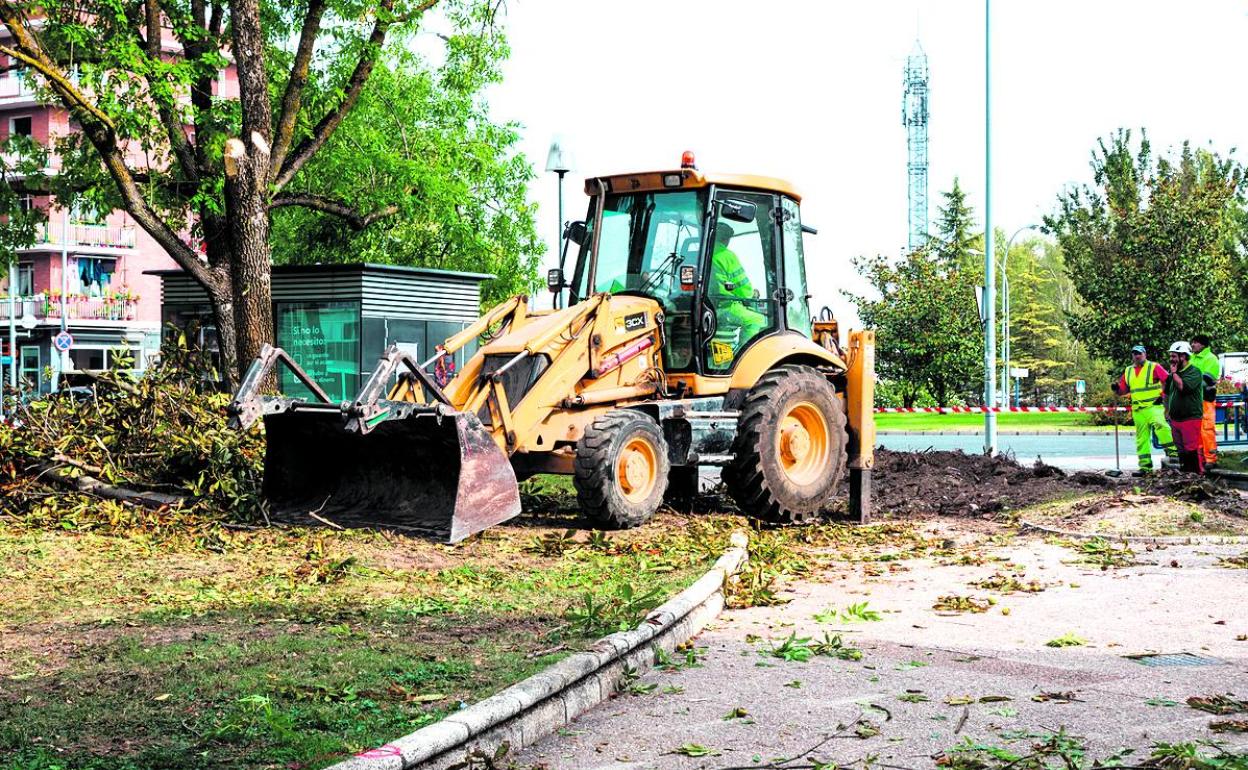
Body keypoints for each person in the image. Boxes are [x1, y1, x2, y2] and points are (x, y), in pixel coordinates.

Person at [1110, 344, 1176, 476]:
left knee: (1162, 427)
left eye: (1139, 353)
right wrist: (1117, 388)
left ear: (1144, 354)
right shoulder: (1128, 371)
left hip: (1153, 406)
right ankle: (1145, 467)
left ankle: (1174, 454)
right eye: (1134, 353)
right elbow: (1123, 390)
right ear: (1132, 356)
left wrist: (1163, 396)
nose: (1137, 356)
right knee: (1142, 438)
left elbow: (1168, 381)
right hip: (1138, 409)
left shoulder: (1154, 367)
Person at [707, 222, 767, 366]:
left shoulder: (702, 253)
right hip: (724, 307)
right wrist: (752, 294)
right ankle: (743, 359)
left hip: (706, 307)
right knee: (757, 320)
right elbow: (743, 289)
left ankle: (723, 359)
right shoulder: (726, 255)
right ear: (726, 239)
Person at [1164, 341, 1206, 474]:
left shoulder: (1194, 372)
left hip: (1190, 417)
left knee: (1191, 449)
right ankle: (1185, 475)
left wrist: (1175, 373)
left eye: (1174, 356)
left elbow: (1183, 387)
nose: (1171, 360)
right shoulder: (1172, 375)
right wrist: (1167, 410)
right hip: (1176, 419)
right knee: (1180, 449)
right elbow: (1167, 392)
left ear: (1183, 356)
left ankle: (1196, 475)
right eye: (1171, 356)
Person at [1189, 334, 1220, 467]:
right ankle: (1200, 459)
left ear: (1202, 345)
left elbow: (1208, 379)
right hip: (1193, 400)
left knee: (1207, 429)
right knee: (1195, 430)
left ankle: (1211, 459)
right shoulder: (1191, 358)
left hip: (1205, 400)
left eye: (1195, 343)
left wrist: (1188, 385)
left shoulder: (1211, 358)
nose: (1193, 345)